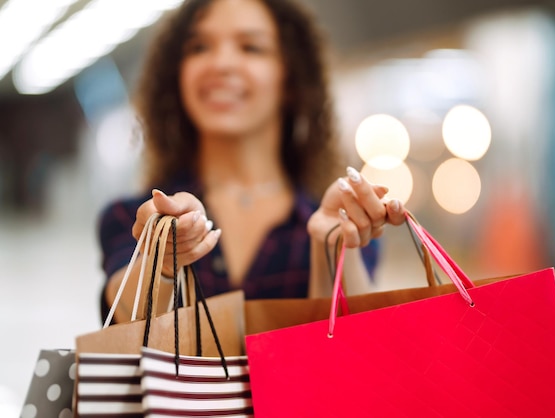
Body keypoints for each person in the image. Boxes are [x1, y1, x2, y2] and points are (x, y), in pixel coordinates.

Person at [98, 0, 406, 323]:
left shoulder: (338, 217)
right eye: (199, 47)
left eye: (251, 48)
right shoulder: (134, 217)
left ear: (290, 78)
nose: (221, 63)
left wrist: (333, 247)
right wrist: (160, 260)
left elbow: (352, 354)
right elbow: (124, 318)